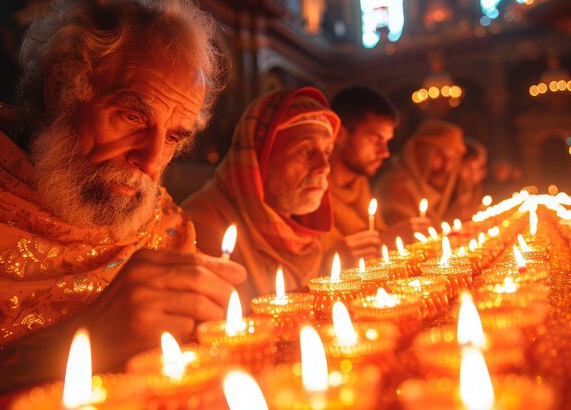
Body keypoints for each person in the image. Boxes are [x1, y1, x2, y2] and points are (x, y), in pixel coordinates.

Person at [0, 0, 246, 407]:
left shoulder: (166, 226)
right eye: (132, 116)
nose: (152, 162)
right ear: (61, 88)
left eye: (174, 136)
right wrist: (85, 337)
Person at [182, 87, 339, 301]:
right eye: (305, 151)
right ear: (258, 159)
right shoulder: (200, 226)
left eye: (327, 152)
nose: (324, 167)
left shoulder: (314, 235)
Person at [324, 86, 431, 268]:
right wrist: (382, 240)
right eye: (375, 140)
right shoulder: (310, 193)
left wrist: (390, 238)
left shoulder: (360, 185)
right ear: (339, 134)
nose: (385, 152)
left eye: (387, 142)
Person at [375, 119, 466, 227]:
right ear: (421, 152)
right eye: (440, 156)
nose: (446, 167)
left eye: (452, 159)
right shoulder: (395, 188)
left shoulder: (436, 190)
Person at [446, 137, 488, 221]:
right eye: (470, 168)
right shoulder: (447, 194)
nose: (475, 174)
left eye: (479, 168)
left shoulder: (474, 189)